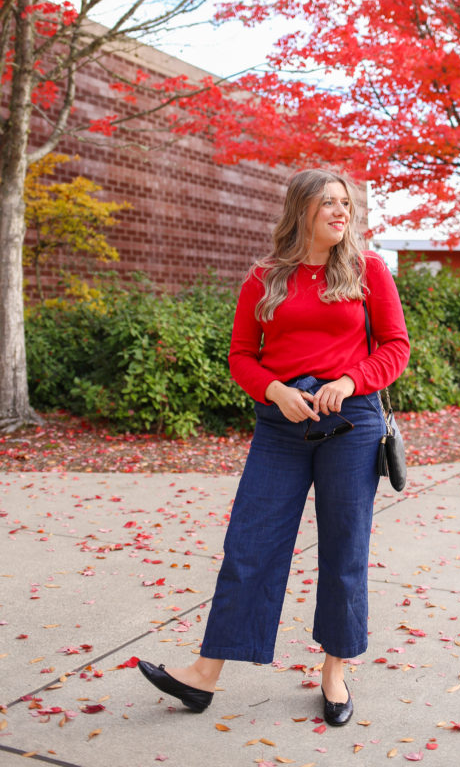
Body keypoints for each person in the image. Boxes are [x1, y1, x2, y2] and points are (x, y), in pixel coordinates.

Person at [137, 168, 410, 725]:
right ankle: (204, 675)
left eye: (345, 204)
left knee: (344, 550)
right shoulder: (264, 277)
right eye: (328, 203)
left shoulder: (368, 270)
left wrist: (351, 381)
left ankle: (334, 672)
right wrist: (275, 390)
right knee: (249, 546)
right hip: (281, 425)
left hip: (350, 423)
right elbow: (241, 356)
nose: (341, 212)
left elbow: (395, 347)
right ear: (301, 210)